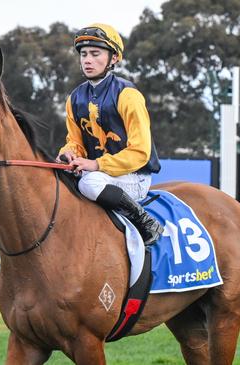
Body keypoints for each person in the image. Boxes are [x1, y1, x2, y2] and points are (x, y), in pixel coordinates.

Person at [55, 23, 163, 245]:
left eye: (95, 54)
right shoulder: (74, 98)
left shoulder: (128, 95)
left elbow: (140, 152)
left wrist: (95, 165)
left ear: (113, 58)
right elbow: (74, 141)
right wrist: (69, 155)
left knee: (88, 183)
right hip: (99, 174)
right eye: (84, 54)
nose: (87, 60)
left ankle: (146, 222)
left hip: (134, 176)